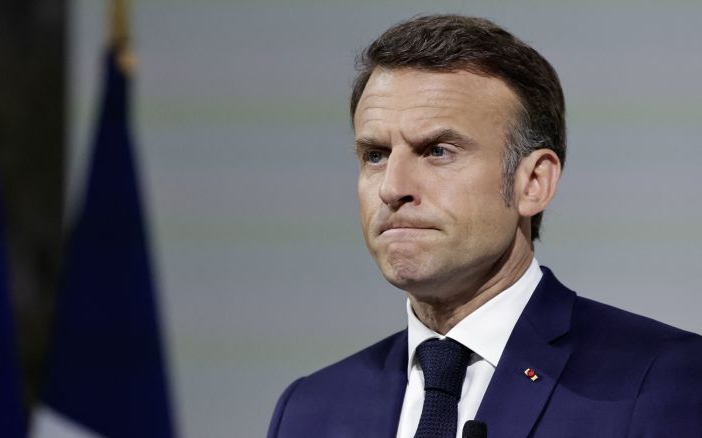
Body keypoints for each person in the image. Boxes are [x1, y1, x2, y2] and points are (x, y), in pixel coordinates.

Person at [267, 14, 702, 438]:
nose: (392, 188)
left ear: (533, 182)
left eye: (437, 151)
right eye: (376, 155)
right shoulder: (310, 409)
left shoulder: (664, 380)